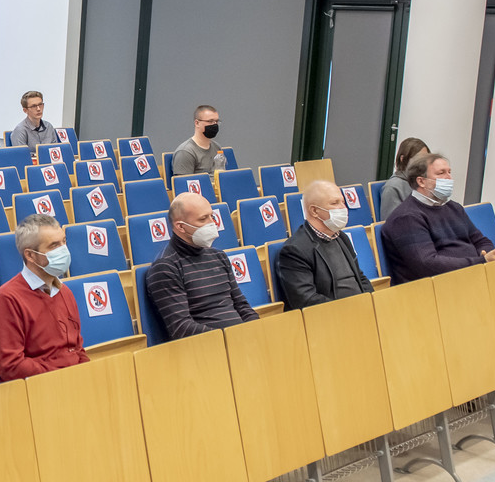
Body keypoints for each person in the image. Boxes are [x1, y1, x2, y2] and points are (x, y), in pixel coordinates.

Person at [0, 213, 88, 380]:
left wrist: (87, 375)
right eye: (54, 245)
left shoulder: (65, 292)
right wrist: (62, 377)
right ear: (30, 255)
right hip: (41, 388)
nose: (63, 250)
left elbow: (77, 350)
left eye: (64, 242)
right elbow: (11, 366)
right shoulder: (7, 299)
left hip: (75, 382)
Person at [378, 151, 495, 284]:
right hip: (432, 287)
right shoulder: (406, 217)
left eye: (449, 172)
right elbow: (427, 264)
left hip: (467, 277)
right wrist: (480, 262)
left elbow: (481, 241)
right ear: (421, 181)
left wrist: (486, 255)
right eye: (441, 173)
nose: (449, 178)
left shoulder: (453, 207)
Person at [144, 192, 257, 338]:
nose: (212, 223)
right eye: (203, 219)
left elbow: (242, 306)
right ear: (181, 227)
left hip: (240, 339)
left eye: (212, 216)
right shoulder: (165, 267)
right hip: (209, 346)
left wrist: (256, 331)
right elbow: (181, 327)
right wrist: (229, 338)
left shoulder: (218, 256)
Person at [276, 181, 374, 310]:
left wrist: (370, 303)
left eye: (343, 202)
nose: (343, 208)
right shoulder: (294, 250)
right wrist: (348, 309)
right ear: (314, 211)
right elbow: (306, 300)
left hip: (360, 310)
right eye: (334, 203)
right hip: (331, 316)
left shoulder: (341, 237)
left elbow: (360, 278)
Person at [377, 136, 428, 220]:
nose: (423, 164)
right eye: (419, 160)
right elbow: (392, 223)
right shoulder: (393, 188)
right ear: (403, 159)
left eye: (426, 160)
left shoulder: (422, 183)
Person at [171, 105, 226, 176]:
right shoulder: (185, 152)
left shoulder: (217, 147)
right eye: (210, 121)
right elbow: (183, 182)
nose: (215, 125)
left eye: (216, 121)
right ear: (197, 123)